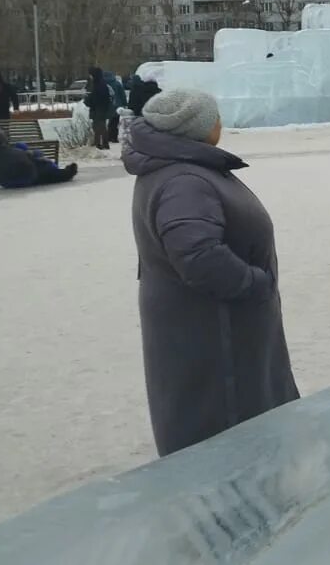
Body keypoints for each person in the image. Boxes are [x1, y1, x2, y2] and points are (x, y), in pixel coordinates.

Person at [124, 89, 299, 456]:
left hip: (215, 328)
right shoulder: (185, 180)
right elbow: (198, 255)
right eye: (214, 118)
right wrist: (255, 283)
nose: (220, 124)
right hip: (214, 334)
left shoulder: (183, 170)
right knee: (226, 434)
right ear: (197, 128)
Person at [0, 141, 78, 188]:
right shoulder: (19, 153)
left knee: (45, 169)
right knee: (48, 172)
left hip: (4, 182)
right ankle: (66, 172)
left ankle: (63, 172)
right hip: (27, 178)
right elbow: (31, 165)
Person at [84, 67, 114, 150]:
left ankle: (99, 144)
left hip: (98, 109)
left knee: (98, 126)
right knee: (100, 126)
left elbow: (96, 97)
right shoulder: (101, 83)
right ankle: (102, 143)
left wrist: (88, 101)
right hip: (101, 108)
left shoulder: (98, 84)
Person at [105, 72, 128, 144]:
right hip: (116, 106)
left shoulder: (102, 84)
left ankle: (108, 136)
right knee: (115, 122)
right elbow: (122, 94)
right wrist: (124, 103)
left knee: (108, 122)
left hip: (107, 105)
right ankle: (114, 137)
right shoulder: (117, 83)